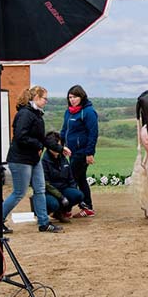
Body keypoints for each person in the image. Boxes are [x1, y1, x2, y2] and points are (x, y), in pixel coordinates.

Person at [0, 85, 70, 234]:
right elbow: (21, 137)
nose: (46, 101)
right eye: (44, 98)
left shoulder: (36, 114)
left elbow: (43, 139)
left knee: (40, 189)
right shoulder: (25, 114)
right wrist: (38, 145)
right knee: (19, 192)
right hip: (20, 160)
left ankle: (44, 223)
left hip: (33, 159)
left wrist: (61, 149)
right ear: (36, 97)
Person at [60, 84, 98, 218]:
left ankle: (66, 209)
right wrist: (60, 146)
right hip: (70, 151)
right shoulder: (68, 112)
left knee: (72, 180)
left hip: (82, 152)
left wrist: (89, 153)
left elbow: (93, 133)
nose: (72, 99)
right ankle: (88, 207)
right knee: (80, 179)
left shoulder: (88, 112)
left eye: (75, 97)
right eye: (70, 97)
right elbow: (64, 130)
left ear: (81, 97)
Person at [41, 131, 85, 223]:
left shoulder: (63, 158)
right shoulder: (44, 161)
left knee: (78, 195)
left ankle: (63, 211)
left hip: (63, 188)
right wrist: (61, 197)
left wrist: (74, 191)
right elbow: (46, 184)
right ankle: (50, 211)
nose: (58, 149)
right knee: (54, 204)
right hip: (50, 192)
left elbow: (71, 178)